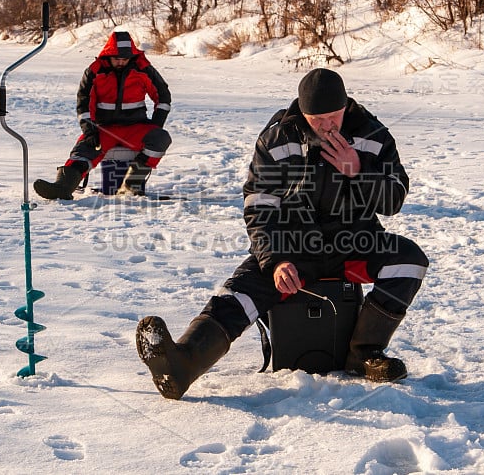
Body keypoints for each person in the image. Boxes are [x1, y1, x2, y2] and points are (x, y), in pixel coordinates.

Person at [136, 68, 429, 400]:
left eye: (333, 116)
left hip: (354, 242)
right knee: (239, 293)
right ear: (302, 112)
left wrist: (358, 170)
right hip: (293, 247)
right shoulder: (277, 139)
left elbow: (394, 199)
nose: (327, 125)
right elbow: (259, 208)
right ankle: (183, 362)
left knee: (409, 260)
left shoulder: (373, 135)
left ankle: (364, 354)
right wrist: (275, 261)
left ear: (346, 105)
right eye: (316, 119)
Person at [34, 31, 172, 200]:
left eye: (125, 59)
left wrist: (156, 125)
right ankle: (62, 187)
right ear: (108, 55)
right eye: (117, 59)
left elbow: (163, 97)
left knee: (161, 138)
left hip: (136, 128)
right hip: (103, 129)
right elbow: (84, 103)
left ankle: (131, 186)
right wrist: (89, 131)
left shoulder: (143, 69)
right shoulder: (94, 71)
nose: (121, 62)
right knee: (82, 150)